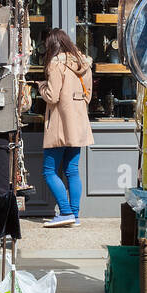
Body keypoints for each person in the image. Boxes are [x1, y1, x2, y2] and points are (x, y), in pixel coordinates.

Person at [38, 28, 93, 227]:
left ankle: (66, 212)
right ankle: (75, 215)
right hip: (78, 121)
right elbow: (88, 95)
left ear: (52, 44)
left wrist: (41, 86)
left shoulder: (56, 63)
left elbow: (52, 96)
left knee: (49, 170)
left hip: (60, 122)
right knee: (72, 170)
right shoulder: (83, 62)